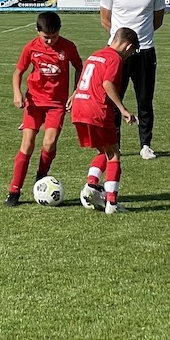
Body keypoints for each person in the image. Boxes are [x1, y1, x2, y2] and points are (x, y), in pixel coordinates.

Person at [6, 10, 81, 206]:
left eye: (54, 37)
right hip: (34, 102)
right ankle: (14, 191)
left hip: (56, 104)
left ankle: (41, 177)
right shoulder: (31, 47)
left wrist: (75, 92)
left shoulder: (68, 46)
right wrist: (17, 93)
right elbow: (18, 72)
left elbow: (80, 68)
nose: (50, 41)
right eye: (46, 37)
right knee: (27, 144)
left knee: (49, 142)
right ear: (37, 31)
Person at [99, 0, 165, 159]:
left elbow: (157, 21)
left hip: (145, 52)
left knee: (145, 101)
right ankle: (114, 144)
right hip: (117, 56)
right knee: (114, 100)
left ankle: (145, 145)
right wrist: (120, 44)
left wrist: (138, 41)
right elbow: (105, 20)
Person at [71, 27, 139, 214]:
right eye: (131, 53)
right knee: (114, 154)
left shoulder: (95, 55)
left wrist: (74, 95)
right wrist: (123, 109)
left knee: (104, 150)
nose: (129, 56)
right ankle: (112, 204)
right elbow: (107, 83)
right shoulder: (115, 59)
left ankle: (91, 186)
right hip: (97, 110)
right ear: (129, 46)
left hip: (80, 108)